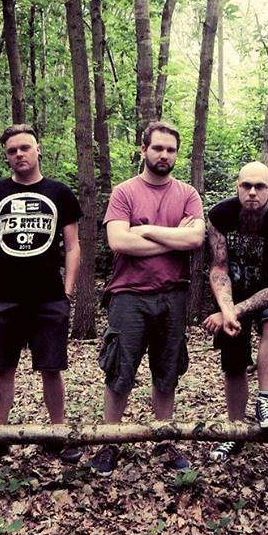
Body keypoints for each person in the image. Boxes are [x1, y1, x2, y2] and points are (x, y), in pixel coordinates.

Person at [90, 121, 205, 476]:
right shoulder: (124, 192)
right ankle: (110, 442)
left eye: (171, 150)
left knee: (167, 372)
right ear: (144, 150)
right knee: (119, 371)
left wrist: (146, 230)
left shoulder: (188, 194)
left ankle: (164, 440)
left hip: (173, 295)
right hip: (128, 296)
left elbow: (195, 240)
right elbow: (119, 242)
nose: (164, 155)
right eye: (158, 148)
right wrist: (172, 238)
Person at [0, 124, 82, 466]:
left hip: (49, 298)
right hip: (3, 298)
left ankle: (58, 435)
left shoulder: (60, 193)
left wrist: (67, 293)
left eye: (25, 148)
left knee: (52, 368)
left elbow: (73, 246)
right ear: (7, 156)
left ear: (38, 150)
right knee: (3, 368)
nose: (19, 154)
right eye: (12, 150)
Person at [204, 161, 268, 462]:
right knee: (233, 359)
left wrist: (233, 311)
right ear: (237, 187)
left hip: (267, 292)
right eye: (246, 185)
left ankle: (265, 400)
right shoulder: (220, 215)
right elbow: (219, 267)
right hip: (233, 291)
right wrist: (227, 310)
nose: (252, 192)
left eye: (259, 186)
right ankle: (235, 431)